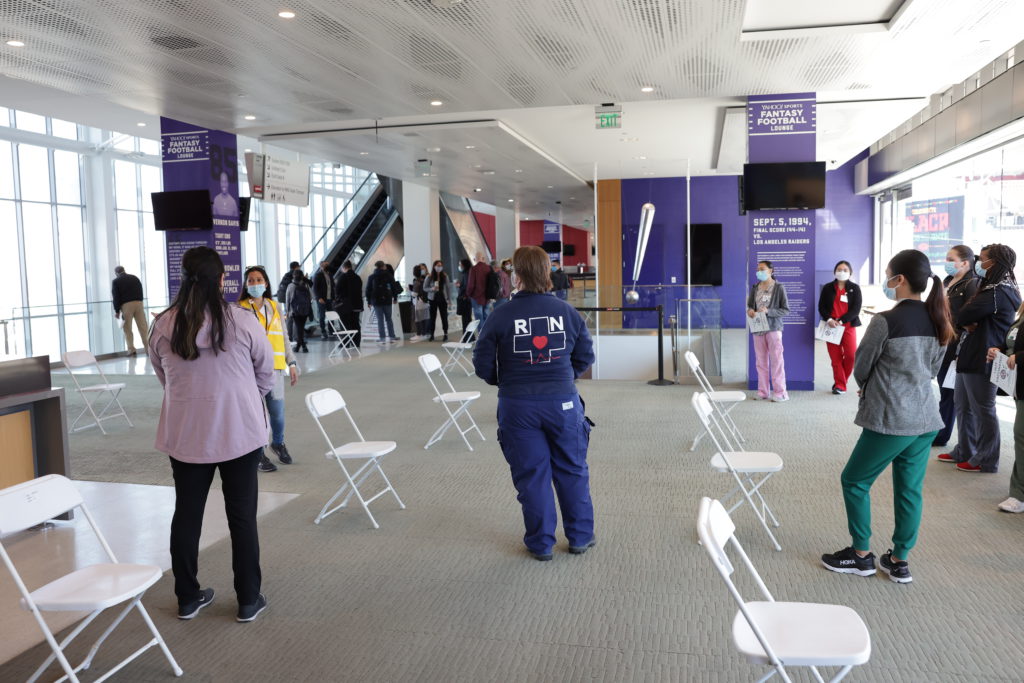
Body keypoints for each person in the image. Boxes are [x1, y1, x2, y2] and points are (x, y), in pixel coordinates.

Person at [149, 246, 273, 623]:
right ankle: (248, 599)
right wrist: (244, 398)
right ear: (222, 280)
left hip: (187, 435)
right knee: (242, 516)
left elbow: (162, 376)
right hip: (240, 432)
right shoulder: (242, 321)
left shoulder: (163, 324)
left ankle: (188, 597)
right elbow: (265, 372)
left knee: (186, 515)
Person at [821, 248, 954, 584]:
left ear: (900, 280)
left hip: (892, 418)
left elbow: (861, 366)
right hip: (926, 418)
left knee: (854, 481)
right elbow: (935, 369)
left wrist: (868, 386)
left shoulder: (885, 321)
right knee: (910, 490)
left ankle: (861, 555)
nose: (886, 281)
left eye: (888, 275)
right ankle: (898, 560)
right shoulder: (939, 317)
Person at [473, 245, 596, 561]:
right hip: (563, 404)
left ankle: (541, 544)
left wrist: (504, 382)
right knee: (572, 469)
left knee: (533, 476)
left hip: (518, 406)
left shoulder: (500, 314)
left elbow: (482, 363)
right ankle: (580, 537)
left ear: (516, 276)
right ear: (547, 273)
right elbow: (586, 356)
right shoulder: (568, 312)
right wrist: (562, 378)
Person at [939, 244, 1021, 473]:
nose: (978, 263)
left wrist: (963, 318)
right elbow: (960, 315)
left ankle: (987, 459)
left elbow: (962, 313)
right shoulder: (990, 288)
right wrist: (963, 319)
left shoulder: (999, 291)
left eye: (981, 259)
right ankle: (965, 450)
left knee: (983, 409)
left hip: (984, 356)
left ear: (993, 263)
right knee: (963, 405)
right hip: (969, 353)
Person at [238, 265, 300, 473]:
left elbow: (284, 337)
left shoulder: (275, 306)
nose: (255, 284)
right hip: (250, 370)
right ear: (246, 285)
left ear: (266, 283)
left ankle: (278, 443)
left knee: (277, 414)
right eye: (251, 280)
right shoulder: (240, 308)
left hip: (274, 368)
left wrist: (291, 363)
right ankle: (258, 453)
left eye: (259, 280)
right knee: (256, 415)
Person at [933, 246, 979, 447]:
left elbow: (970, 318)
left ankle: (945, 436)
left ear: (965, 263)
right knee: (945, 389)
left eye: (951, 259)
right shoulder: (946, 281)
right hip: (942, 340)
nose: (947, 262)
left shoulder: (972, 283)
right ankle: (942, 432)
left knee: (952, 392)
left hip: (958, 343)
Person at [987, 300, 1024, 512]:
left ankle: (1019, 494)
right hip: (1018, 386)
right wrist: (999, 350)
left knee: (1021, 437)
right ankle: (1018, 491)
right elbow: (1012, 342)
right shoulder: (1020, 317)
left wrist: (1018, 357)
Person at [746, 260, 790, 402]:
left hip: (773, 328)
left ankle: (780, 393)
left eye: (762, 269)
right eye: (758, 269)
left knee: (777, 360)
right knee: (760, 361)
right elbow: (749, 306)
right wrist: (751, 311)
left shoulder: (779, 287)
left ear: (771, 271)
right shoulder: (755, 287)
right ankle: (763, 391)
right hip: (758, 328)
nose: (759, 271)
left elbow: (785, 310)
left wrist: (768, 311)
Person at [817, 261, 862, 395]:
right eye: (839, 269)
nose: (842, 272)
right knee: (835, 358)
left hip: (848, 326)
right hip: (831, 326)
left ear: (850, 272)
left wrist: (842, 320)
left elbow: (856, 309)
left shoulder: (855, 288)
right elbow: (822, 307)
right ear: (834, 271)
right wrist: (829, 319)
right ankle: (840, 385)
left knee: (851, 356)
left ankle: (841, 381)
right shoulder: (827, 288)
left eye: (845, 269)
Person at [112, 265, 149, 357]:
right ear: (124, 270)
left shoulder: (116, 281)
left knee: (127, 329)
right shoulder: (134, 278)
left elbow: (116, 297)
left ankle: (131, 350)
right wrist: (139, 301)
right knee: (143, 327)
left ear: (116, 273)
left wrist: (117, 310)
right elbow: (141, 290)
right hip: (139, 303)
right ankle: (149, 349)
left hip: (126, 305)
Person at [365, 260, 399, 343]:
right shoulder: (389, 276)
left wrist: (368, 301)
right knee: (389, 319)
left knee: (380, 320)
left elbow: (368, 290)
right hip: (387, 300)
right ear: (383, 266)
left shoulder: (371, 277)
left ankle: (382, 338)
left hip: (376, 301)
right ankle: (391, 337)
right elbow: (394, 287)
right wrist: (395, 298)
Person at [333, 260, 363, 347]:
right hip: (357, 305)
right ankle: (356, 343)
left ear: (344, 268)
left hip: (345, 305)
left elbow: (337, 291)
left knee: (345, 324)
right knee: (355, 323)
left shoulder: (343, 277)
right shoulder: (357, 277)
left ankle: (346, 343)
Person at [286, 269, 314, 353]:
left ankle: (303, 346)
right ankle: (300, 346)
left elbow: (288, 299)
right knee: (300, 328)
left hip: (295, 311)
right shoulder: (305, 285)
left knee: (299, 328)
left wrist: (288, 311)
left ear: (293, 276)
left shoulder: (291, 286)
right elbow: (311, 297)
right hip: (305, 310)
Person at [425, 260, 450, 342]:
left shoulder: (445, 276)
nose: (439, 267)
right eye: (437, 265)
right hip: (433, 299)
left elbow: (448, 288)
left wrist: (449, 299)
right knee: (432, 317)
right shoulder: (429, 276)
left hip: (442, 298)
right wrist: (432, 289)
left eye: (440, 266)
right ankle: (432, 334)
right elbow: (424, 288)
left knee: (444, 317)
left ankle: (445, 334)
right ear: (434, 266)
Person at [466, 252, 494, 327]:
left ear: (475, 259)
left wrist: (468, 294)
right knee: (487, 317)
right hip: (487, 297)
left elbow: (471, 285)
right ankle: (488, 335)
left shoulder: (473, 269)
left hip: (476, 297)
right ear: (483, 259)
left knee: (479, 319)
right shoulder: (489, 268)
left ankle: (481, 336)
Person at [312, 260, 335, 340]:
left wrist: (333, 297)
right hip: (322, 299)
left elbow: (332, 286)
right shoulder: (318, 275)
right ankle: (323, 331)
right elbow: (314, 288)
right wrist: (319, 298)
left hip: (330, 298)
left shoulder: (330, 274)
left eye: (328, 264)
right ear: (322, 266)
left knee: (331, 315)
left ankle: (331, 331)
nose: (328, 266)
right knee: (322, 316)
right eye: (326, 265)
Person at [411, 263, 430, 339]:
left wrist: (411, 292)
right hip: (425, 300)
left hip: (419, 301)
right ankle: (424, 333)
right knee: (424, 318)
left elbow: (415, 294)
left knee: (418, 318)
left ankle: (419, 334)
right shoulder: (423, 279)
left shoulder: (417, 281)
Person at [455, 257, 473, 333]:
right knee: (468, 318)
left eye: (460, 264)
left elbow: (466, 287)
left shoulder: (466, 274)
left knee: (466, 319)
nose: (459, 266)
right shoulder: (469, 273)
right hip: (467, 299)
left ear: (464, 265)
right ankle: (470, 336)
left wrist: (460, 286)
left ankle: (466, 336)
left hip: (465, 299)